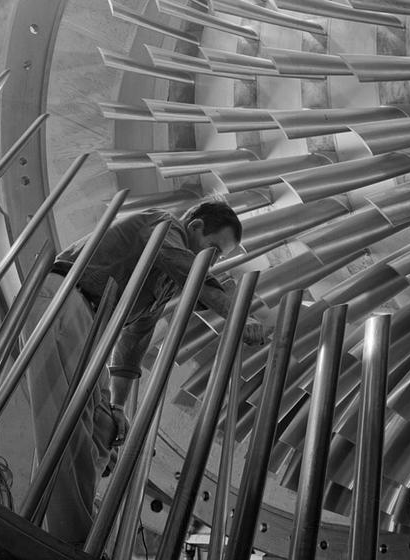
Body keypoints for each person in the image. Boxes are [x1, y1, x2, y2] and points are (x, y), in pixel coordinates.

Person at [24, 200, 269, 548]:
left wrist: (118, 407)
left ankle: (55, 527)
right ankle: (69, 544)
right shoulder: (164, 226)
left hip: (92, 326)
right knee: (67, 427)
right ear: (195, 226)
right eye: (214, 250)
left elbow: (132, 345)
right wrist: (238, 314)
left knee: (100, 430)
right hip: (65, 299)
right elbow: (186, 266)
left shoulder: (162, 282)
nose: (212, 262)